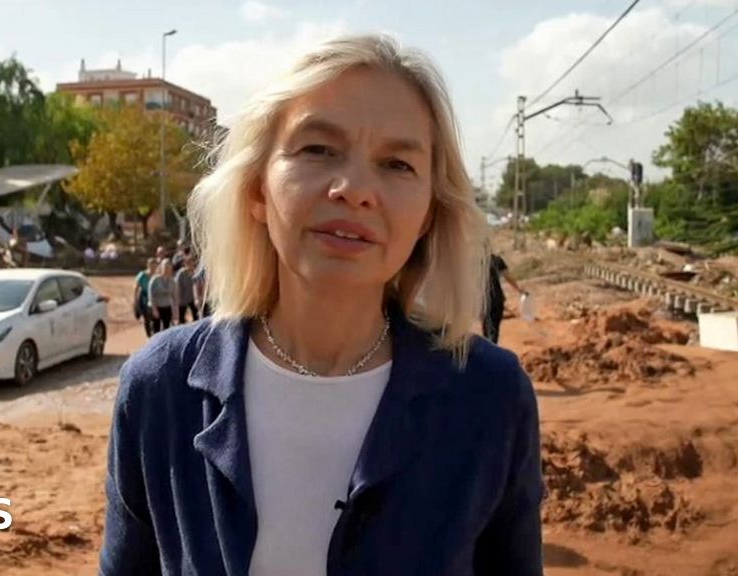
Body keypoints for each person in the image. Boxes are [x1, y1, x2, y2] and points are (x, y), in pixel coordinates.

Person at [101, 35, 542, 575]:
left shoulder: (489, 397)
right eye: (318, 150)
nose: (355, 189)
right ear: (257, 190)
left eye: (397, 164)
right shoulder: (160, 387)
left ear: (429, 212)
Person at [484, 250, 527, 344]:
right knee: (494, 329)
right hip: (497, 298)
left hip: (484, 300)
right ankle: (493, 349)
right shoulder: (496, 260)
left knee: (487, 328)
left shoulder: (474, 262)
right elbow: (508, 277)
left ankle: (489, 349)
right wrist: (519, 290)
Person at [147, 258, 177, 333]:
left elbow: (174, 297)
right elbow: (151, 296)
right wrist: (154, 309)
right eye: (165, 267)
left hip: (167, 307)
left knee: (166, 329)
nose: (167, 270)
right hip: (156, 307)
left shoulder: (172, 281)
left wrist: (175, 313)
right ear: (161, 268)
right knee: (156, 329)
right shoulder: (154, 280)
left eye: (169, 268)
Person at [134, 258, 157, 337]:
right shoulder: (142, 275)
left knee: (154, 317)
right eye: (151, 265)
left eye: (154, 265)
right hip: (143, 297)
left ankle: (154, 333)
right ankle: (149, 335)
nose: (153, 267)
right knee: (146, 317)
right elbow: (136, 288)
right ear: (148, 265)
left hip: (154, 297)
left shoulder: (157, 275)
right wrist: (135, 301)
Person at [174, 256, 199, 324]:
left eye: (192, 262)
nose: (191, 264)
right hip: (182, 299)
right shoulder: (181, 273)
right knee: (181, 318)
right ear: (185, 264)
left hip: (192, 298)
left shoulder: (196, 272)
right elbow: (177, 287)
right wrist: (178, 299)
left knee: (196, 316)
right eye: (188, 263)